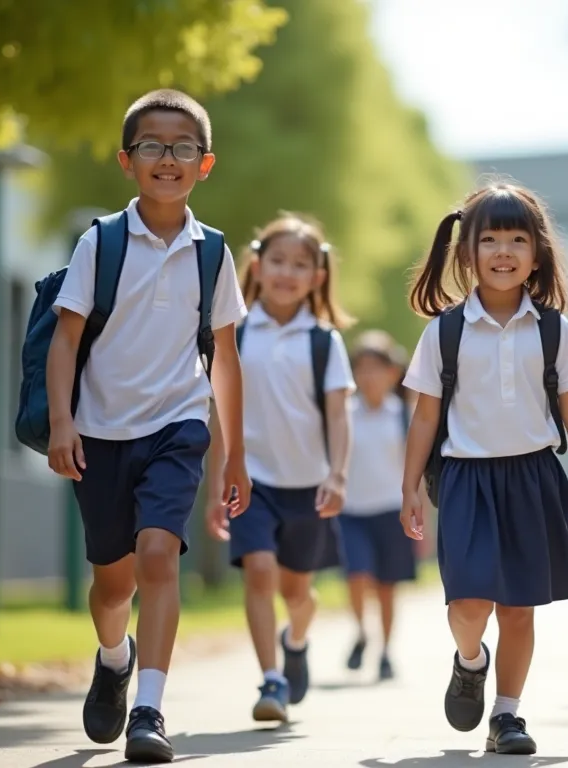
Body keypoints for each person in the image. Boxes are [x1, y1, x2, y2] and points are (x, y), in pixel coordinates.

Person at [46, 88, 249, 764]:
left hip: (177, 426)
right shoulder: (100, 241)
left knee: (161, 554)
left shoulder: (212, 253)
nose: (169, 158)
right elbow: (65, 339)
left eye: (183, 147)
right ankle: (114, 655)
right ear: (127, 160)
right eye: (154, 147)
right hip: (100, 432)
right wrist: (61, 423)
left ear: (205, 163)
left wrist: (234, 456)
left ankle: (149, 710)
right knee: (112, 584)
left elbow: (224, 360)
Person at [399, 181, 568, 756]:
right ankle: (471, 660)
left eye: (518, 238)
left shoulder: (552, 329)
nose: (503, 251)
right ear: (467, 252)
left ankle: (508, 715)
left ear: (537, 252)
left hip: (534, 477)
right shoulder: (445, 330)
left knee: (518, 607)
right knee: (467, 604)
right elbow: (423, 419)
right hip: (466, 479)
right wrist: (409, 486)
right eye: (489, 239)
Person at [204, 212, 355, 724]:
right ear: (257, 265)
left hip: (308, 485)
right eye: (278, 261)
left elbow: (338, 415)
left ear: (317, 276)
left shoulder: (324, 342)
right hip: (252, 481)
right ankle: (271, 679)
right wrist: (216, 483)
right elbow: (219, 414)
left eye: (300, 264)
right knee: (260, 572)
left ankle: (296, 640)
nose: (287, 272)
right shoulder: (236, 335)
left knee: (297, 592)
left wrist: (337, 474)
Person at [338, 329, 421, 681]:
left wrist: (422, 524)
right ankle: (361, 632)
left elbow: (416, 472)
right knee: (357, 576)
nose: (369, 376)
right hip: (351, 511)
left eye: (377, 368)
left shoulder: (404, 415)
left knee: (387, 587)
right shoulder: (344, 412)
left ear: (392, 373)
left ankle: (386, 651)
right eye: (362, 368)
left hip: (391, 511)